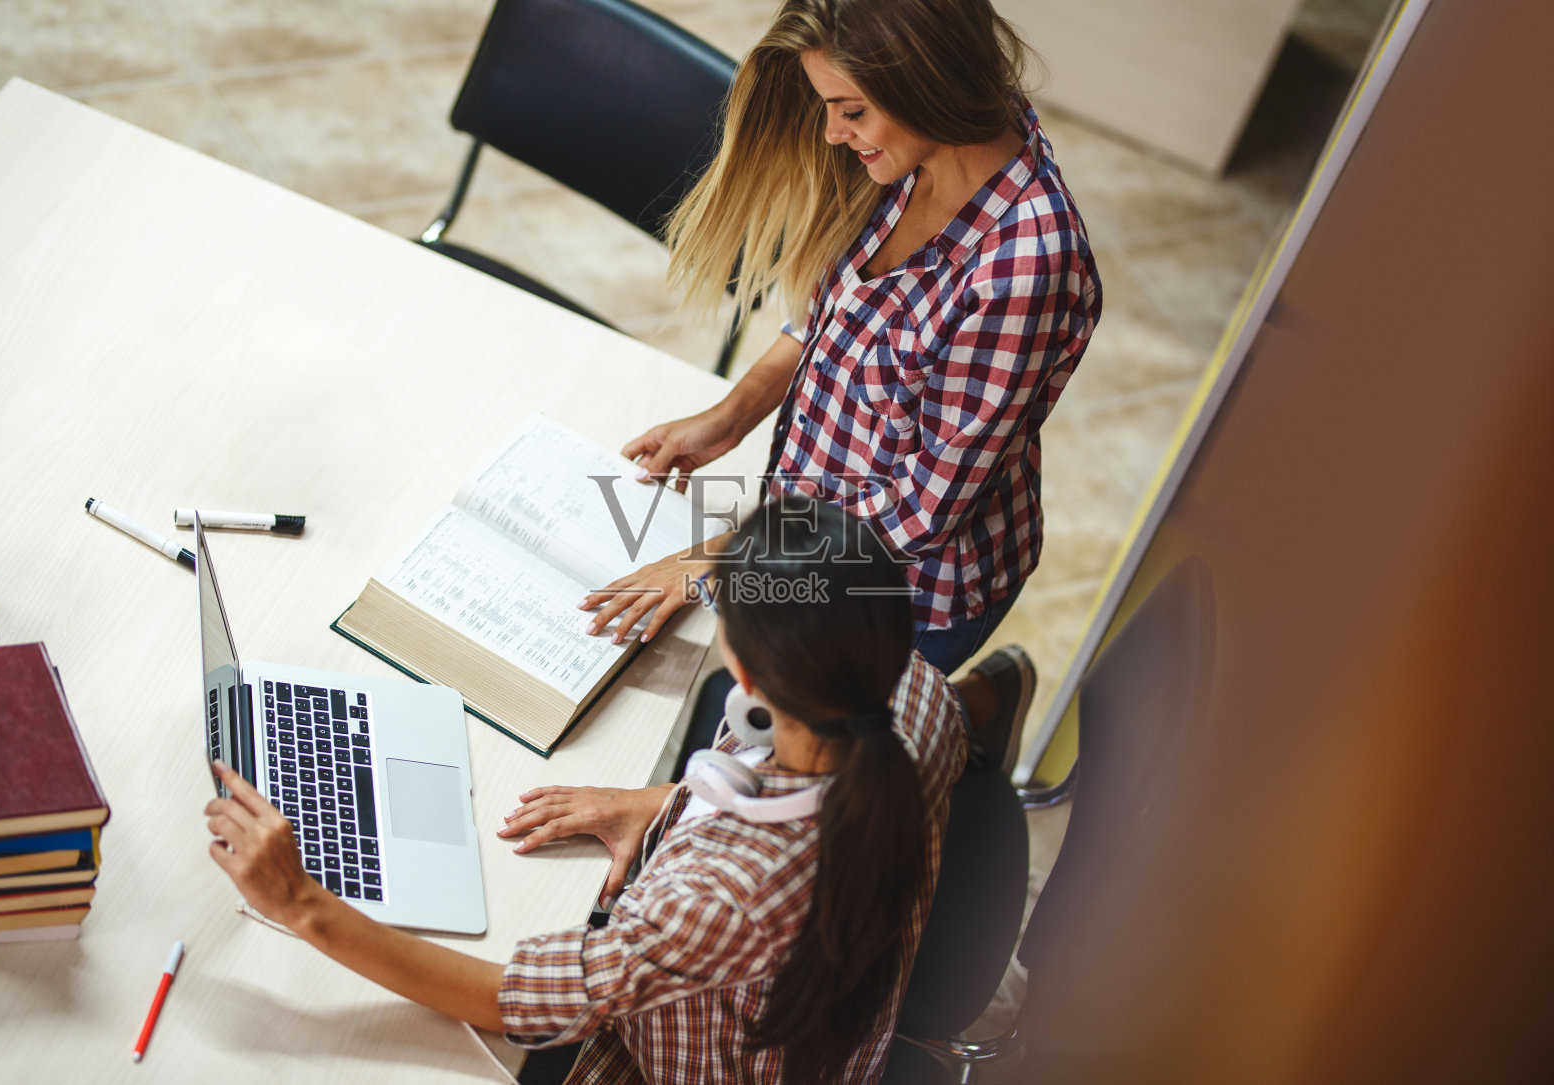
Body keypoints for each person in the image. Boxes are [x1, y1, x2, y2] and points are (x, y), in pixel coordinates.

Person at [205, 497, 967, 1084]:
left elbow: (513, 1001)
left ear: (748, 675)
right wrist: (661, 802)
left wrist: (301, 902)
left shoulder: (716, 899)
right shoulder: (913, 692)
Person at [580, 0, 1101, 687]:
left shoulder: (1022, 268)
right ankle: (983, 703)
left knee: (825, 746)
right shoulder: (916, 151)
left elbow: (921, 510)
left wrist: (715, 559)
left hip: (902, 601)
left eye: (851, 110)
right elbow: (835, 313)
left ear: (928, 81)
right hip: (806, 538)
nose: (832, 133)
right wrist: (732, 415)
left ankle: (967, 708)